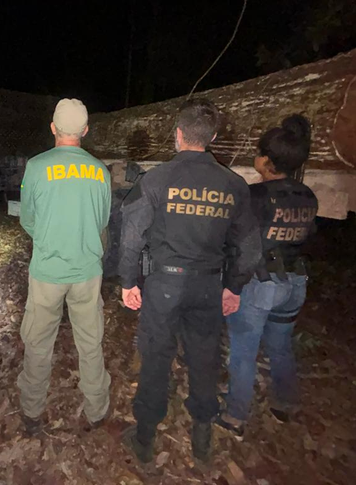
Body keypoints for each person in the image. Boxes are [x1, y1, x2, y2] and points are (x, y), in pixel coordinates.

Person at [118, 100, 261, 463]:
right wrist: (234, 286)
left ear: (178, 134)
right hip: (208, 287)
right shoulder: (233, 184)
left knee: (156, 357)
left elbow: (131, 235)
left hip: (164, 285)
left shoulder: (156, 179)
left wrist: (127, 281)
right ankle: (202, 438)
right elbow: (249, 247)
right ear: (212, 137)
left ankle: (145, 438)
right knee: (204, 358)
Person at [216, 115, 318, 438]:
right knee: (281, 345)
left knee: (243, 351)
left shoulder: (255, 196)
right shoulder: (308, 196)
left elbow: (242, 246)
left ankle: (235, 416)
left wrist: (232, 287)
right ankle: (285, 403)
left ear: (267, 161)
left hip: (260, 284)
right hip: (295, 282)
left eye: (258, 152)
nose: (255, 156)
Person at [17, 98, 112, 434]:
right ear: (85, 131)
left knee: (38, 342)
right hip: (88, 272)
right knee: (90, 342)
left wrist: (49, 236)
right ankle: (97, 411)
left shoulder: (36, 167)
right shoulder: (100, 171)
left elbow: (27, 218)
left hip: (48, 272)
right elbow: (102, 221)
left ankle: (32, 411)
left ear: (53, 128)